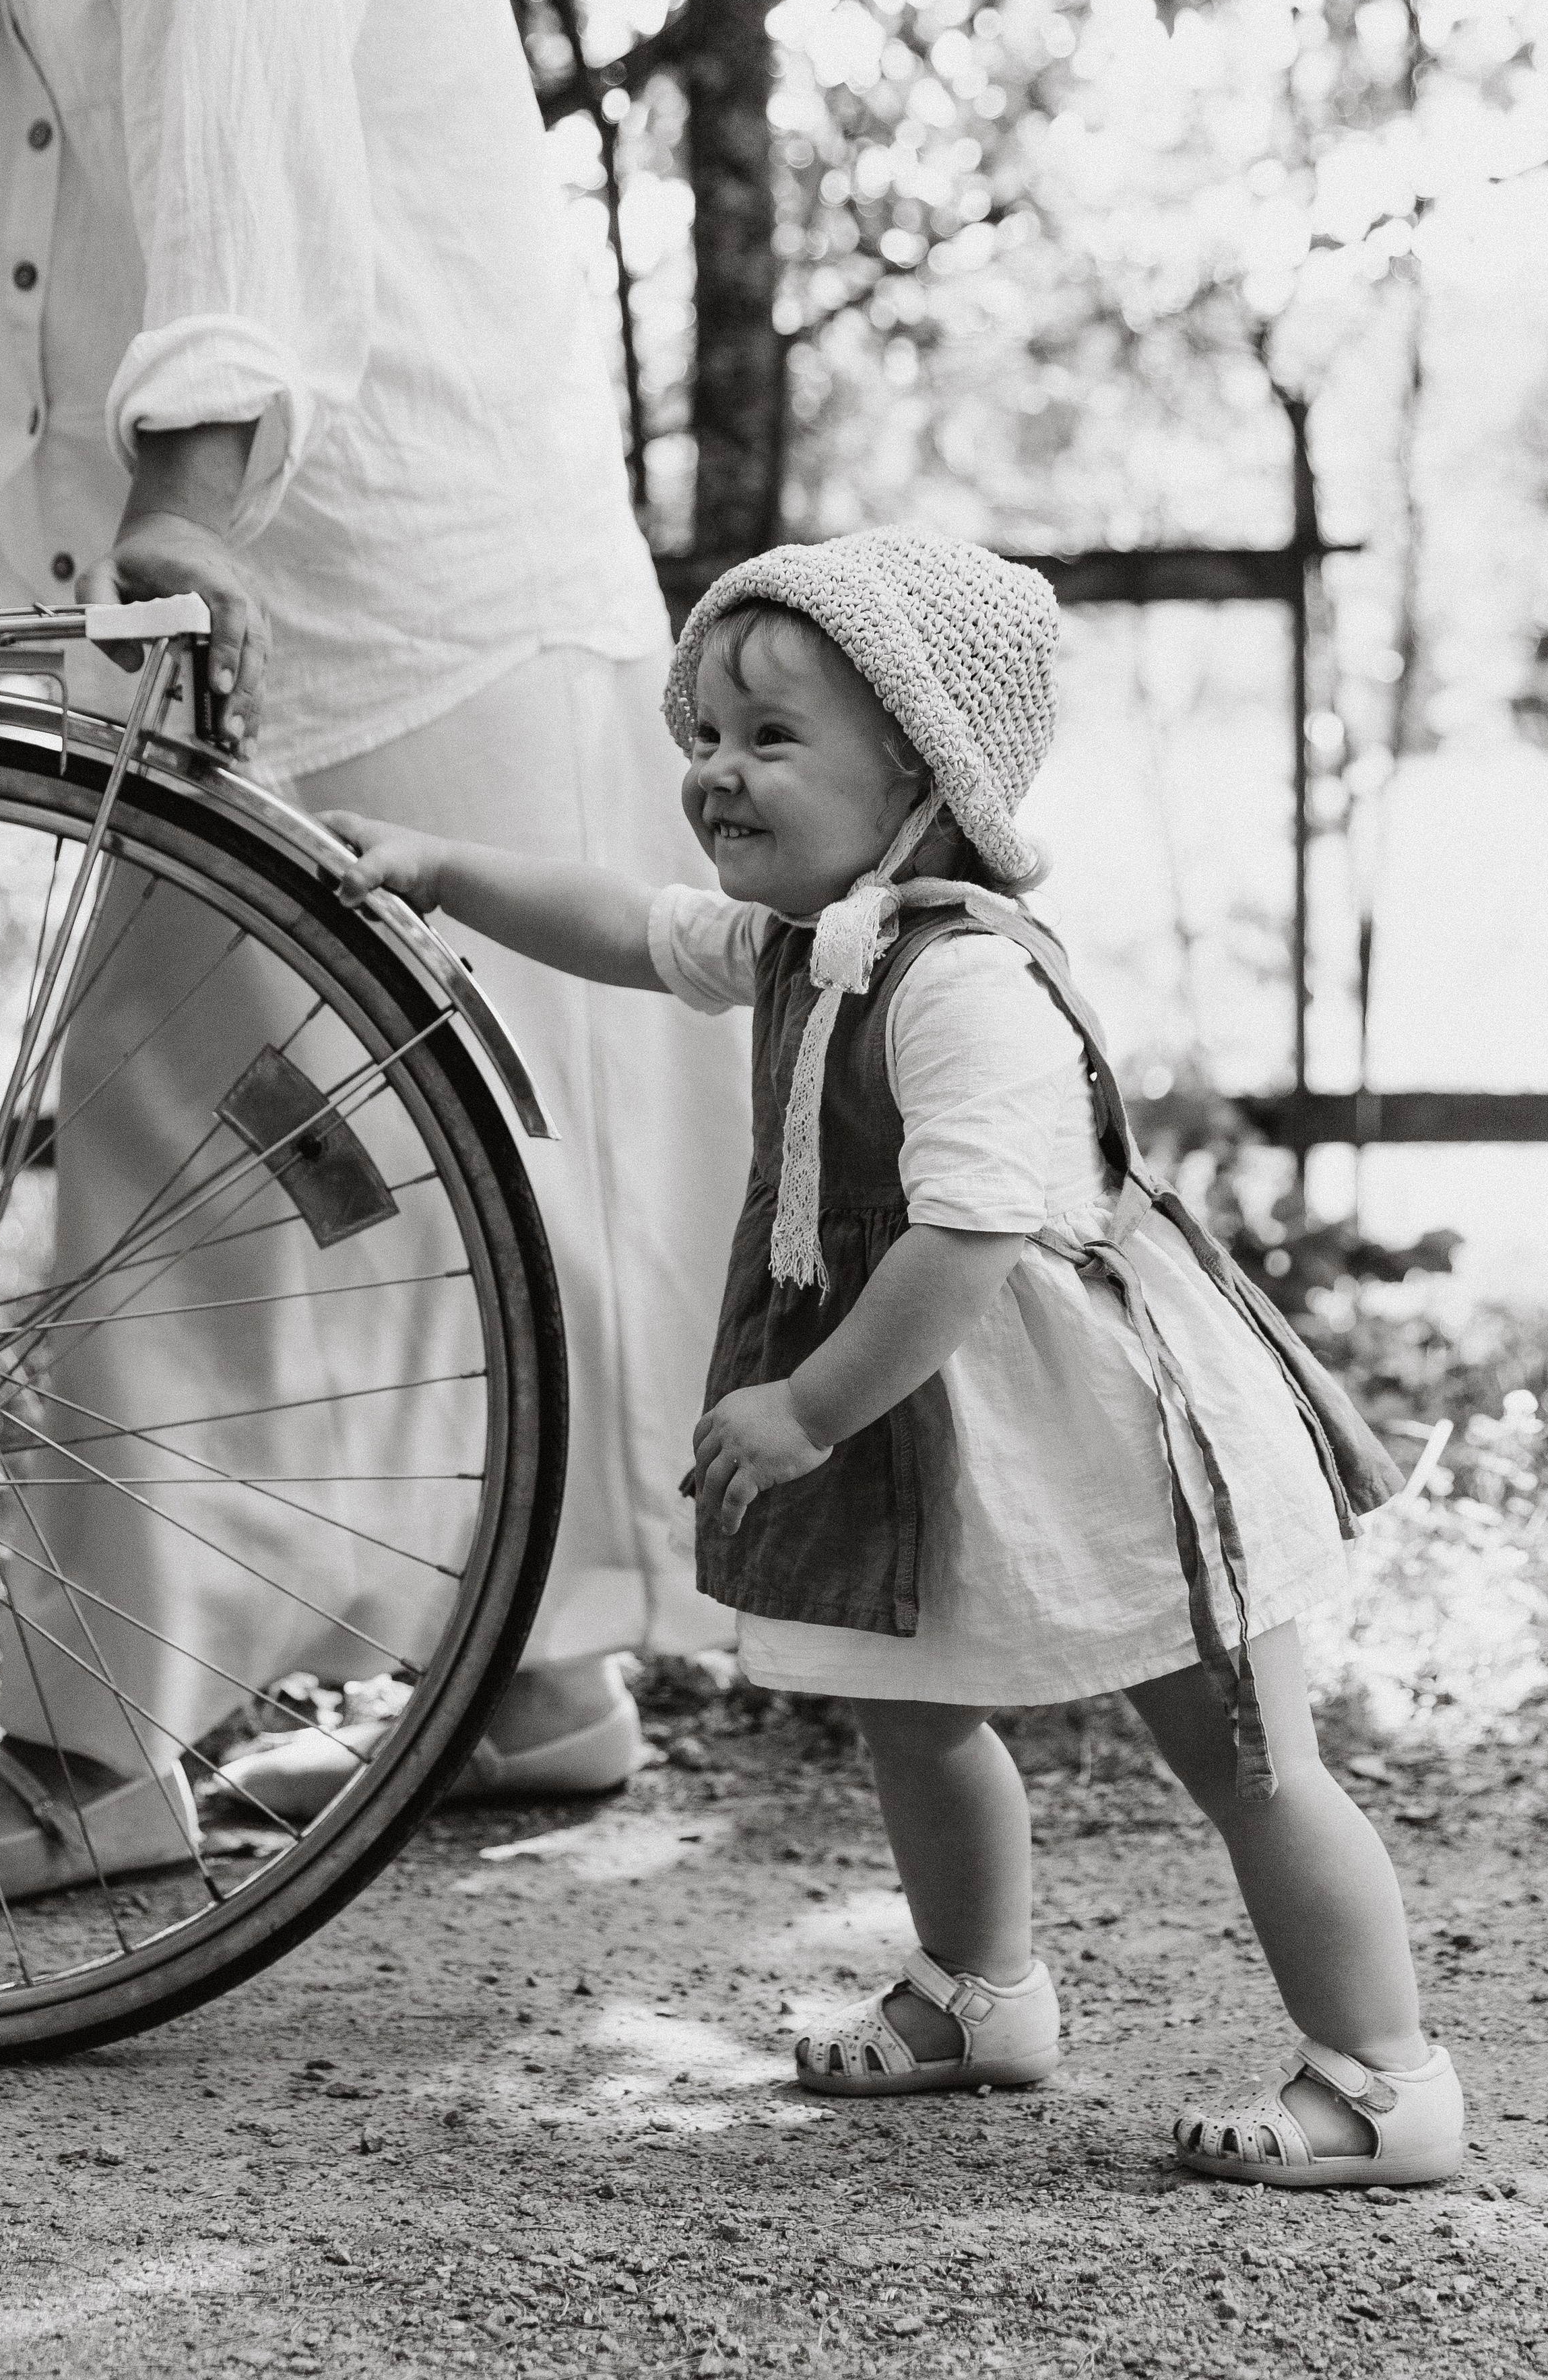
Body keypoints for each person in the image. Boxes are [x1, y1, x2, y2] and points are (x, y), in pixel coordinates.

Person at [0, 0, 746, 1899]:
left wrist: (185, 490)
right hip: (204, 546)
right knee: (384, 1165)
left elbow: (246, 125)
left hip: (348, 547)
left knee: (228, 1129)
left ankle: (93, 1751)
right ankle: (528, 1682)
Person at [320, 525, 1465, 2188]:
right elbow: (623, 926)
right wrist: (443, 865)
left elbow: (968, 1242)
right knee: (912, 1710)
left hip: (1102, 1438)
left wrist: (804, 1405)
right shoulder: (805, 940)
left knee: (1244, 1757)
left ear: (920, 777)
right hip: (950, 1438)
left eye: (770, 740)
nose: (713, 775)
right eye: (701, 736)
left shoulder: (953, 979)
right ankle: (975, 1993)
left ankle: (1382, 2077)